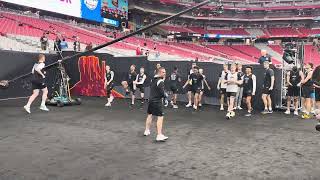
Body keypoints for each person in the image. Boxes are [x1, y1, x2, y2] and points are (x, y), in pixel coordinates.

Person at [143, 67, 169, 142]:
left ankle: (147, 130)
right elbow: (162, 92)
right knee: (160, 117)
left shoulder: (153, 79)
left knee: (150, 115)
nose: (165, 73)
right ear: (159, 72)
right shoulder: (160, 81)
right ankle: (159, 135)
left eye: (165, 72)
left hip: (151, 100)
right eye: (163, 72)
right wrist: (166, 96)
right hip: (157, 101)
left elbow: (155, 89)